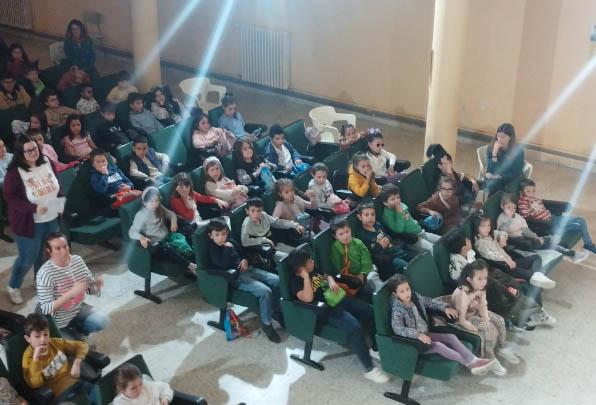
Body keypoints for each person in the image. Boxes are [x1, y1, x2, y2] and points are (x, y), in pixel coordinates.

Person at [287, 248, 389, 383]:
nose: (312, 261)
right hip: (326, 311)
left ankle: (375, 349)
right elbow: (308, 298)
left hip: (339, 299)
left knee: (371, 312)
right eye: (309, 261)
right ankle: (369, 370)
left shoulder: (313, 269)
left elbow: (326, 275)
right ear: (302, 268)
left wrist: (331, 281)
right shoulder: (296, 283)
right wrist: (305, 277)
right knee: (354, 328)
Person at [389, 274, 496, 375]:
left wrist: (445, 308)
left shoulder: (415, 297)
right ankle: (469, 365)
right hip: (415, 342)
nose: (407, 293)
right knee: (438, 346)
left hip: (426, 333)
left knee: (451, 337)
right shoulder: (398, 309)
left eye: (407, 289)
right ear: (395, 294)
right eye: (402, 291)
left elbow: (430, 302)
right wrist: (417, 335)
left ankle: (474, 360)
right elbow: (397, 328)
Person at [447, 231, 555, 329]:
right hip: (482, 291)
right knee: (509, 294)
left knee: (514, 288)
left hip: (490, 279)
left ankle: (537, 314)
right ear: (464, 248)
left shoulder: (469, 253)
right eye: (467, 240)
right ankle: (531, 317)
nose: (469, 240)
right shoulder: (457, 266)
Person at [3, 134, 62, 304]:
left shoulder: (47, 161)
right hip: (29, 223)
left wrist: (59, 207)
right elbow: (10, 198)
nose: (33, 152)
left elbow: (57, 186)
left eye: (35, 148)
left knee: (45, 254)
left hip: (51, 218)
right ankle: (13, 286)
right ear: (20, 153)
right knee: (27, 258)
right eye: (28, 151)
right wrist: (33, 208)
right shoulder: (15, 173)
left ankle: (40, 281)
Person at [208, 218, 282, 343]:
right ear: (211, 236)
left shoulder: (230, 241)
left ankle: (275, 310)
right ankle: (266, 324)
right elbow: (221, 265)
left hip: (248, 269)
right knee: (265, 291)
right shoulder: (214, 248)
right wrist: (227, 249)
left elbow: (242, 252)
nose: (221, 238)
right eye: (217, 235)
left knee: (277, 280)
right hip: (236, 277)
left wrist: (244, 259)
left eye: (224, 234)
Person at [452, 260, 520, 375]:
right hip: (465, 317)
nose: (483, 282)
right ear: (469, 279)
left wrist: (486, 318)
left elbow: (482, 305)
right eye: (480, 279)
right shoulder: (462, 293)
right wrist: (474, 328)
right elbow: (462, 319)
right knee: (489, 328)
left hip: (475, 312)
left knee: (500, 320)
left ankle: (502, 348)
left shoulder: (481, 288)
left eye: (485, 278)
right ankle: (489, 359)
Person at [36, 232, 109, 340]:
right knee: (77, 348)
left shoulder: (77, 260)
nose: (64, 251)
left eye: (65, 246)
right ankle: (62, 334)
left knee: (102, 319)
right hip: (56, 321)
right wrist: (71, 294)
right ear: (49, 251)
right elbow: (46, 309)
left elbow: (89, 290)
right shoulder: (45, 273)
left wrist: (96, 286)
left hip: (76, 309)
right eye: (58, 248)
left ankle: (77, 329)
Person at [21, 313, 96, 404]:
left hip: (77, 383)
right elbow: (35, 384)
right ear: (28, 339)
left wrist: (77, 363)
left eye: (45, 334)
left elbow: (82, 345)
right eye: (37, 336)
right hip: (60, 394)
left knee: (97, 393)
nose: (43, 339)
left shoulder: (55, 342)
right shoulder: (28, 358)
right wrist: (36, 359)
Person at [473, 213, 555, 289]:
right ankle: (537, 277)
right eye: (483, 226)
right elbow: (489, 254)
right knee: (530, 274)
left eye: (488, 225)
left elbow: (503, 233)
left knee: (536, 257)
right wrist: (504, 259)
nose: (487, 228)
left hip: (511, 261)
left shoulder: (492, 234)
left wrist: (502, 237)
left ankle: (538, 274)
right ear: (476, 227)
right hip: (504, 267)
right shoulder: (480, 243)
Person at [518, 178, 596, 256]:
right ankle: (588, 246)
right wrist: (524, 200)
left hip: (554, 219)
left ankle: (588, 245)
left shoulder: (535, 199)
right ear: (521, 192)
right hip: (549, 223)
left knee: (580, 225)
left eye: (533, 191)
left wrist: (533, 199)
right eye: (528, 191)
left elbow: (543, 206)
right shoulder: (522, 203)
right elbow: (524, 217)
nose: (532, 194)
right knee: (580, 220)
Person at [497, 193, 583, 262]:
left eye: (514, 208)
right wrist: (509, 220)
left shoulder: (518, 217)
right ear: (502, 206)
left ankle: (571, 253)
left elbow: (526, 230)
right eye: (508, 207)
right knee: (538, 243)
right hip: (514, 240)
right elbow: (502, 231)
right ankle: (548, 240)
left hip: (524, 237)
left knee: (547, 244)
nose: (511, 210)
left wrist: (536, 237)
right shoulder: (501, 218)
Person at [128, 187, 196, 274]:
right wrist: (141, 237)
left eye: (157, 201)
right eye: (151, 202)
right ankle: (191, 266)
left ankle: (197, 252)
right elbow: (132, 232)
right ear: (144, 202)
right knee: (167, 249)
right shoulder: (140, 215)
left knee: (187, 228)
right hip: (158, 245)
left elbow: (171, 214)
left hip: (169, 237)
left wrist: (173, 221)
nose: (155, 204)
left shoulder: (159, 208)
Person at [379, 183, 440, 253]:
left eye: (398, 197)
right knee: (433, 248)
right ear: (385, 203)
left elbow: (410, 218)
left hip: (420, 231)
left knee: (442, 240)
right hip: (412, 240)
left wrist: (418, 224)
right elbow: (399, 229)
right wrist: (399, 212)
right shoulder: (387, 215)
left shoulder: (401, 205)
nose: (397, 201)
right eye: (393, 199)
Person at [355, 202, 410, 280]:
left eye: (372, 214)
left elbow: (387, 236)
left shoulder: (377, 225)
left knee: (414, 258)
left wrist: (387, 239)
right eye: (366, 215)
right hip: (386, 260)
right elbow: (369, 255)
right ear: (360, 217)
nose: (370, 217)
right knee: (406, 266)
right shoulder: (362, 235)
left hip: (393, 251)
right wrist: (380, 246)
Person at [330, 217, 382, 295]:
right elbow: (337, 266)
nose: (345, 235)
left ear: (350, 230)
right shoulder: (335, 247)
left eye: (347, 231)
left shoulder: (357, 243)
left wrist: (362, 274)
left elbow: (366, 259)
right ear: (335, 236)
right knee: (365, 290)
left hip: (367, 271)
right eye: (341, 234)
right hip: (352, 276)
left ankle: (384, 292)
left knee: (372, 279)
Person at [485, 123, 524, 196]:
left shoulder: (518, 151)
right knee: (494, 183)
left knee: (497, 185)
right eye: (498, 136)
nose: (499, 139)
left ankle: (496, 201)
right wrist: (494, 153)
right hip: (495, 176)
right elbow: (490, 169)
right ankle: (494, 202)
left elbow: (516, 173)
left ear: (510, 137)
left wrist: (498, 176)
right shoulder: (490, 148)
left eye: (503, 137)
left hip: (511, 178)